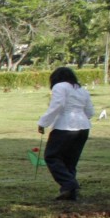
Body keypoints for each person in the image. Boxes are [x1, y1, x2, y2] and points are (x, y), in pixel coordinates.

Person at [37, 66, 95, 201]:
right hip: (83, 127)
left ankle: (69, 184)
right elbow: (90, 112)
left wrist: (43, 122)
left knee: (52, 157)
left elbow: (58, 105)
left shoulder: (60, 86)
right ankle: (69, 192)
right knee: (70, 161)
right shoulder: (82, 90)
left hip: (65, 126)